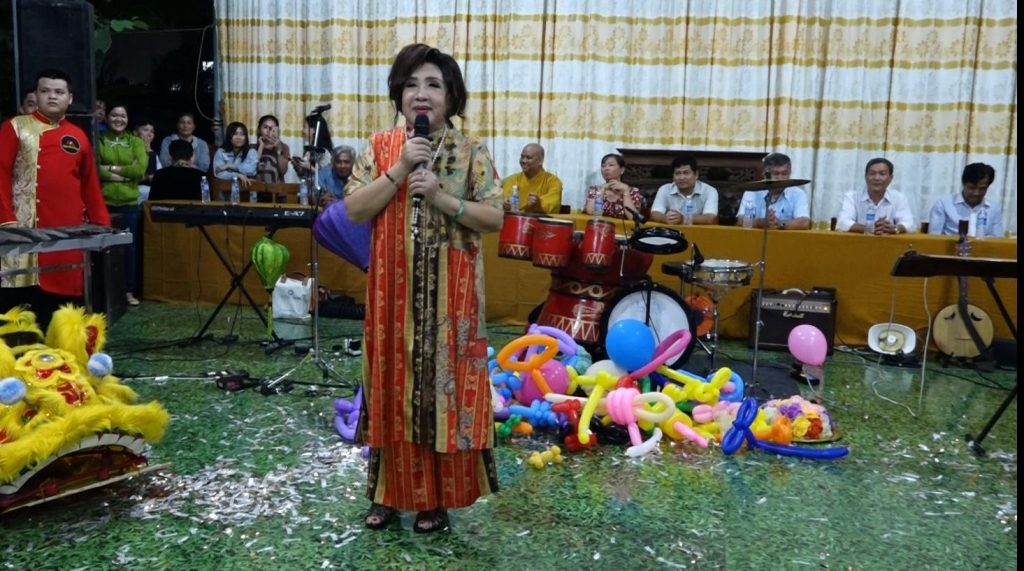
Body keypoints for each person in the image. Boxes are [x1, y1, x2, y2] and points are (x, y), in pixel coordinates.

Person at [344, 43, 503, 534]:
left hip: (453, 301)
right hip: (390, 298)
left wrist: (441, 197)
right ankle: (386, 495)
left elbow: (494, 217)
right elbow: (354, 209)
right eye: (411, 84)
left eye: (433, 84)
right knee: (390, 391)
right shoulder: (380, 146)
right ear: (399, 94)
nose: (421, 94)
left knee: (444, 399)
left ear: (451, 97)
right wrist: (398, 170)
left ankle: (436, 500)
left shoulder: (471, 150)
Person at [0, 69, 111, 326]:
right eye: (45, 91)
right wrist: (6, 220)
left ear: (69, 99)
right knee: (16, 307)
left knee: (64, 306)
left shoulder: (78, 136)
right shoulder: (14, 127)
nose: (52, 96)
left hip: (67, 233)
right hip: (21, 231)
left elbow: (90, 186)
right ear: (36, 95)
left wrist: (102, 225)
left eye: (59, 92)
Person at [97, 103, 147, 307]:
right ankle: (104, 292)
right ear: (107, 118)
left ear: (128, 120)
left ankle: (128, 291)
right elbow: (95, 169)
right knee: (102, 248)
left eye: (123, 116)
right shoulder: (99, 140)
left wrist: (110, 169)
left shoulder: (135, 142)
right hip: (104, 203)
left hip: (128, 203)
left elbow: (140, 170)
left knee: (129, 249)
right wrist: (124, 173)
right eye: (114, 115)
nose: (119, 119)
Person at [835, 158, 914, 234]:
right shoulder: (852, 197)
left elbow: (909, 223)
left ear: (891, 178)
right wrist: (869, 228)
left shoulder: (898, 198)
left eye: (882, 174)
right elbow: (843, 223)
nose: (876, 178)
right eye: (872, 173)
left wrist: (894, 229)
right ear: (865, 177)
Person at [927, 163, 1004, 238]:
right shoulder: (943, 204)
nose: (976, 193)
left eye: (982, 189)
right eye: (972, 188)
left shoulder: (994, 209)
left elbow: (998, 240)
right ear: (963, 184)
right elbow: (934, 238)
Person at [737, 152, 810, 230]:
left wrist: (780, 224)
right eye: (776, 174)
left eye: (784, 174)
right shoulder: (752, 191)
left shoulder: (798, 194)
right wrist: (761, 222)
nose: (780, 178)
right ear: (765, 174)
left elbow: (805, 222)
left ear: (790, 173)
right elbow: (740, 220)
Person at [650, 153, 719, 225]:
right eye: (677, 173)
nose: (682, 177)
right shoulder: (665, 189)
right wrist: (665, 218)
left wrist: (683, 219)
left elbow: (711, 218)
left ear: (696, 174)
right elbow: (654, 213)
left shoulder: (709, 191)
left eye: (686, 173)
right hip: (672, 231)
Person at [501, 143, 563, 214]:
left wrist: (538, 204)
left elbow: (553, 204)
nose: (523, 161)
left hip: (542, 220)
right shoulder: (513, 180)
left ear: (540, 161)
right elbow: (505, 200)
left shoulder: (553, 181)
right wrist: (506, 205)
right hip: (517, 219)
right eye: (522, 157)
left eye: (528, 158)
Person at [582, 153, 644, 219]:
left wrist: (626, 192)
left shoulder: (633, 191)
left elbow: (632, 217)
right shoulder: (595, 189)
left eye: (611, 165)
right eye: (603, 166)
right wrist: (602, 190)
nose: (606, 168)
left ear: (622, 170)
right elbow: (590, 212)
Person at [254, 114, 291, 183]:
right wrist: (261, 146)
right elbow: (250, 169)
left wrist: (279, 149)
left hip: (277, 188)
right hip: (256, 187)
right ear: (259, 130)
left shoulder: (284, 147)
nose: (268, 131)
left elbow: (283, 171)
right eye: (265, 127)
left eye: (272, 128)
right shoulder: (252, 148)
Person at [135, 118, 161, 203]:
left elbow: (156, 177)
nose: (149, 134)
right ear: (135, 132)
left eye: (152, 131)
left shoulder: (154, 154)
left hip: (151, 193)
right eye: (145, 130)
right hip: (135, 191)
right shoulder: (130, 150)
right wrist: (147, 151)